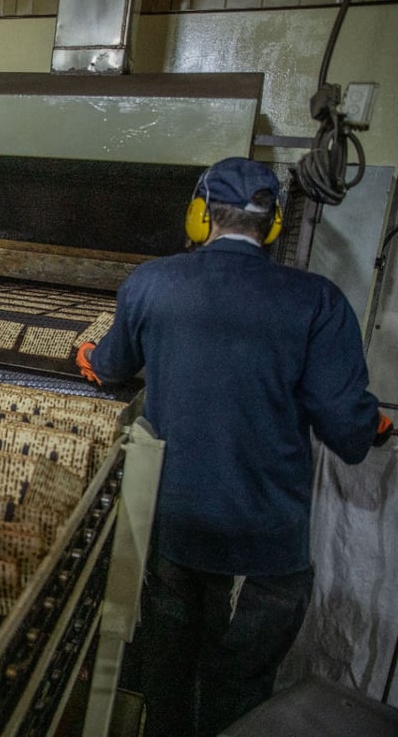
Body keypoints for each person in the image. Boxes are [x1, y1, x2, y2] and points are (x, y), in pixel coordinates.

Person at [73, 157, 392, 736]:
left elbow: (113, 366)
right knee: (240, 693)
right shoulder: (317, 301)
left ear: (200, 215)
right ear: (272, 226)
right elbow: (348, 431)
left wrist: (90, 357)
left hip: (179, 531)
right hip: (268, 550)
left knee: (169, 671)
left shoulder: (151, 282)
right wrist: (375, 425)